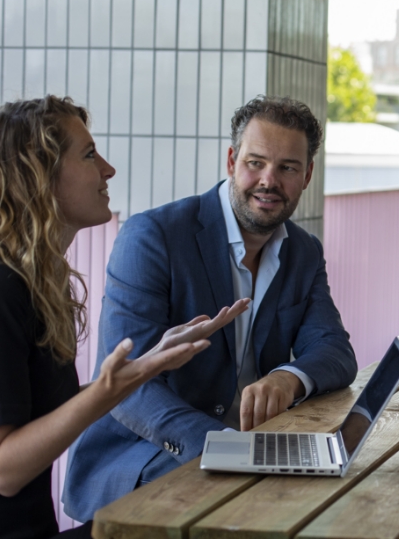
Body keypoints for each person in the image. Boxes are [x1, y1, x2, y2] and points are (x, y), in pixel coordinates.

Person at [63, 96, 358, 521]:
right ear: (231, 160)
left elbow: (334, 349)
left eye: (287, 168)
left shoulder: (304, 251)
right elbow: (129, 388)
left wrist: (287, 379)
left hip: (248, 453)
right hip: (143, 457)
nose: (268, 180)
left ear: (308, 174)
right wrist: (231, 448)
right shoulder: (153, 237)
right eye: (256, 162)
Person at [0, 96, 248, 539]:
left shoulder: (29, 285)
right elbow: (1, 470)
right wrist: (110, 387)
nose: (108, 169)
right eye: (88, 155)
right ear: (37, 176)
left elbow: (38, 415)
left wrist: (148, 365)